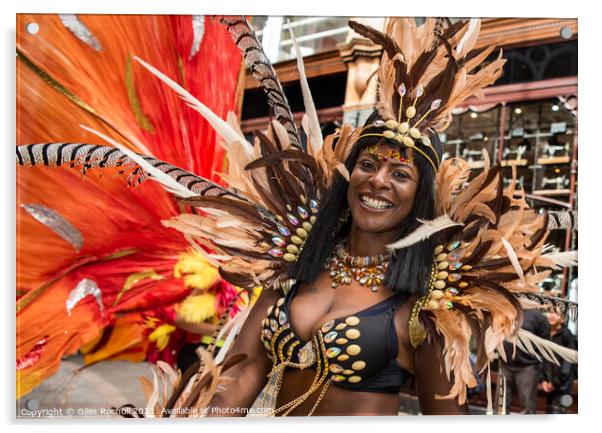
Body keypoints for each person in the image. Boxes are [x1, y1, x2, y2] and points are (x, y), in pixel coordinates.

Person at [17, 16, 578, 417]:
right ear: (349, 174)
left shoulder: (429, 302)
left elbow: (443, 416)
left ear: (420, 199)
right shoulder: (297, 265)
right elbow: (242, 368)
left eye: (400, 174)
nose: (379, 180)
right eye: (369, 164)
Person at [500, 309, 550, 414]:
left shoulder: (539, 317)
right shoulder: (507, 311)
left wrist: (544, 376)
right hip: (505, 364)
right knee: (501, 406)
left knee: (527, 407)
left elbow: (544, 347)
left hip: (527, 367)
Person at [541, 311, 577, 413]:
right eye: (550, 312)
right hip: (548, 385)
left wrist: (554, 383)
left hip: (562, 387)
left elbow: (568, 363)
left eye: (556, 313)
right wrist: (543, 380)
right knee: (549, 412)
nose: (552, 315)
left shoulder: (567, 336)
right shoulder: (546, 334)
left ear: (562, 319)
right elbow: (542, 358)